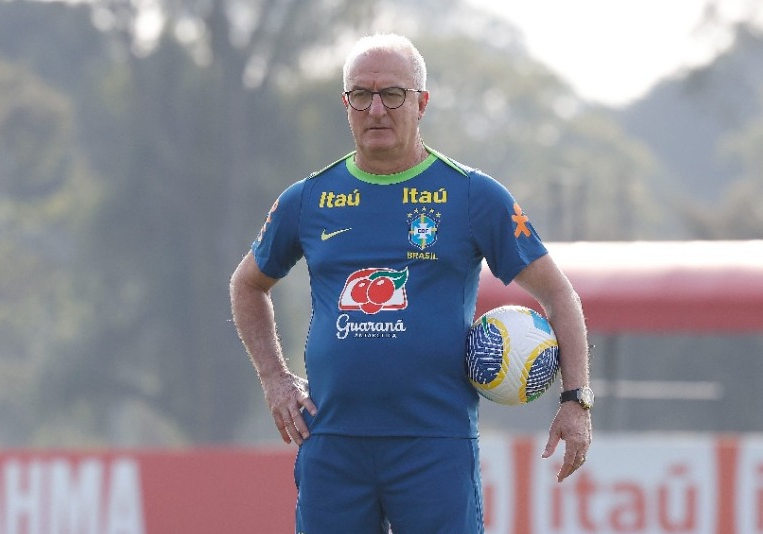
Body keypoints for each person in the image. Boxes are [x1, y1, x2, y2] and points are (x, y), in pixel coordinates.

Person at [229, 33, 592, 534]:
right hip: (333, 443)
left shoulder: (473, 196)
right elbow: (247, 284)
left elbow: (559, 295)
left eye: (392, 94)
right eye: (361, 95)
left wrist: (576, 399)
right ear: (346, 105)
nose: (376, 109)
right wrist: (274, 377)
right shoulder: (308, 199)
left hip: (434, 446)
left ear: (421, 103)